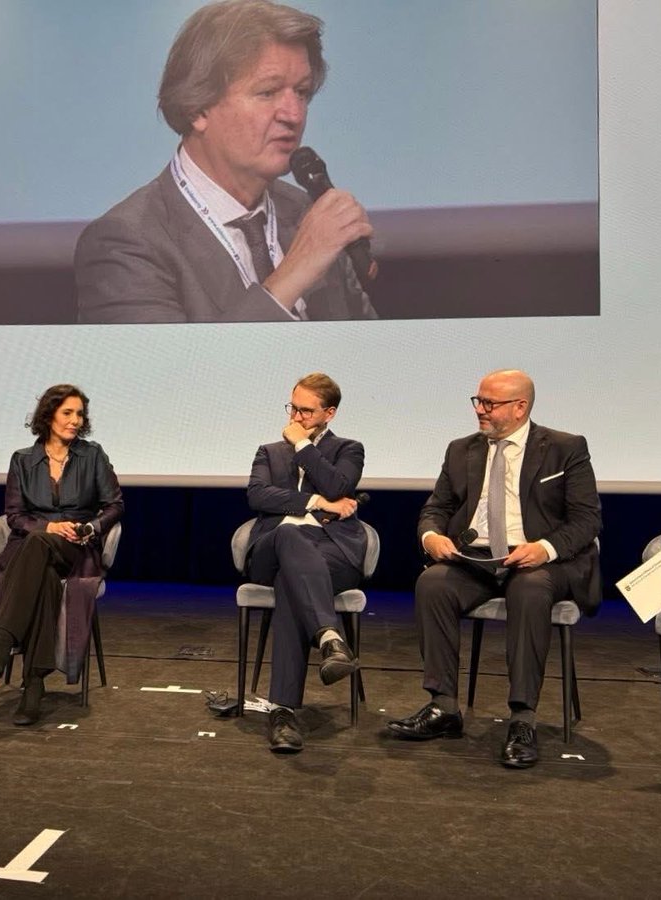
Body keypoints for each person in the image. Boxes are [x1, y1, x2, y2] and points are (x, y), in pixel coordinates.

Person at [74, 0, 377, 324]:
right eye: (268, 92)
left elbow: (373, 359)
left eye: (301, 92)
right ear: (198, 108)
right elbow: (166, 374)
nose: (294, 114)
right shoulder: (127, 242)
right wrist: (294, 273)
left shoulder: (308, 215)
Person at [386, 369, 601, 768]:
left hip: (538, 558)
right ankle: (444, 706)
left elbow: (587, 520)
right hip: (478, 559)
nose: (479, 410)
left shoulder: (564, 448)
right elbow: (436, 509)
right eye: (477, 401)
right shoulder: (460, 449)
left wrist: (546, 548)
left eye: (490, 403)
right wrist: (430, 536)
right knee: (432, 584)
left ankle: (522, 719)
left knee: (529, 590)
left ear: (520, 408)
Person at [0, 385, 124, 725]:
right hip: (32, 546)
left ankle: (4, 640)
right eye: (67, 413)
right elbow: (15, 515)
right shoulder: (23, 460)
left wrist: (88, 529)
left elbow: (114, 505)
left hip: (76, 544)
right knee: (41, 569)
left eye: (80, 414)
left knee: (37, 547)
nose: (76, 421)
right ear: (49, 416)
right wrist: (46, 528)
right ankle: (33, 685)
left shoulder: (93, 455)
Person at [244, 373, 367, 753]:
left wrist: (302, 445)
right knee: (288, 536)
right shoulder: (268, 451)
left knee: (290, 582)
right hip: (273, 546)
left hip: (330, 552)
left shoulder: (349, 449)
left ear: (329, 413)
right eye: (292, 408)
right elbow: (258, 496)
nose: (295, 417)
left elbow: (336, 484)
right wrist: (315, 504)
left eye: (306, 411)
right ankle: (330, 637)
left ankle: (283, 713)